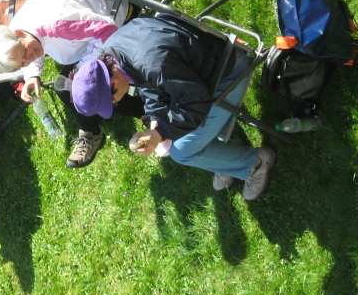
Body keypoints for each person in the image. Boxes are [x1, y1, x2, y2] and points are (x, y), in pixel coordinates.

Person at [71, 15, 275, 200]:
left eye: (113, 101)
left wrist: (161, 133)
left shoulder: (153, 64)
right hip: (202, 68)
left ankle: (256, 163)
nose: (117, 103)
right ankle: (226, 158)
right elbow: (148, 84)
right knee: (176, 132)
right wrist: (155, 117)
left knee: (183, 152)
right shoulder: (113, 51)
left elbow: (196, 103)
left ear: (113, 83)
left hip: (227, 74)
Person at [0, 0, 145, 169]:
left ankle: (139, 112)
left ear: (18, 34)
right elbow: (32, 44)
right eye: (21, 63)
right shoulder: (20, 31)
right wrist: (32, 75)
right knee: (67, 87)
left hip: (117, 18)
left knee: (77, 88)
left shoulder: (57, 23)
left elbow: (107, 30)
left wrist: (83, 70)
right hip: (85, 38)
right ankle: (94, 129)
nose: (28, 59)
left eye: (24, 54)